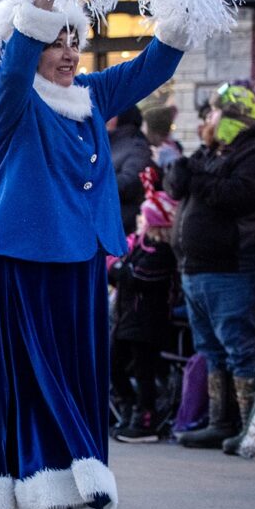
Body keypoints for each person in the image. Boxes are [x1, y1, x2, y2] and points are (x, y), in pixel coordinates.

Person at [0, 0, 189, 509]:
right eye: (55, 39)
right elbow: (14, 66)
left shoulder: (88, 96)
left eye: (75, 39)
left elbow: (151, 67)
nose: (68, 52)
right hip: (22, 266)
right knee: (28, 400)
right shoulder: (7, 98)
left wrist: (185, 3)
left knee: (71, 399)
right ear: (27, 41)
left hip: (80, 266)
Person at [165, 84, 255, 452]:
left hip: (235, 269)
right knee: (210, 348)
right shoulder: (212, 152)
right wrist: (181, 172)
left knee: (239, 347)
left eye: (213, 113)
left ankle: (251, 430)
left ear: (231, 118)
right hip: (197, 269)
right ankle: (219, 422)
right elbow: (181, 187)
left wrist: (197, 176)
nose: (207, 120)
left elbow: (238, 196)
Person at [108, 179, 179, 444]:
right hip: (127, 319)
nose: (138, 220)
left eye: (143, 216)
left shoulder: (161, 252)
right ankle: (127, 406)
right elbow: (123, 274)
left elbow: (137, 277)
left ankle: (144, 418)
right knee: (113, 365)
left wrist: (116, 268)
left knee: (143, 370)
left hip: (147, 322)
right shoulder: (137, 247)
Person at [109, 104, 154, 235]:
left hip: (123, 225)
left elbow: (131, 182)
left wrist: (93, 185)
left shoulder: (136, 146)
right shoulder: (108, 143)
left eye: (112, 114)